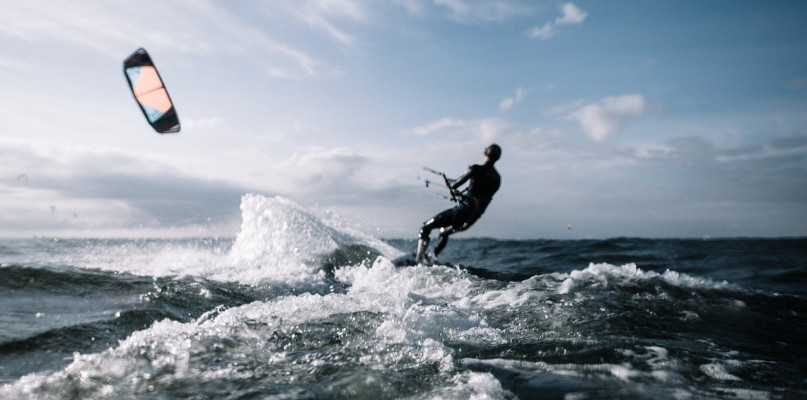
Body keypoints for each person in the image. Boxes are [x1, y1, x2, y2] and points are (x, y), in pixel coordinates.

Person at [415, 144, 501, 264]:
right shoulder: (497, 179)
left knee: (425, 227)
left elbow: (455, 185)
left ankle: (417, 260)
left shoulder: (475, 169)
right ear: (498, 158)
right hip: (471, 219)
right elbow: (479, 194)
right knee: (444, 232)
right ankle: (431, 257)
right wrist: (460, 194)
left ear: (485, 154)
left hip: (460, 212)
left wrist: (451, 184)